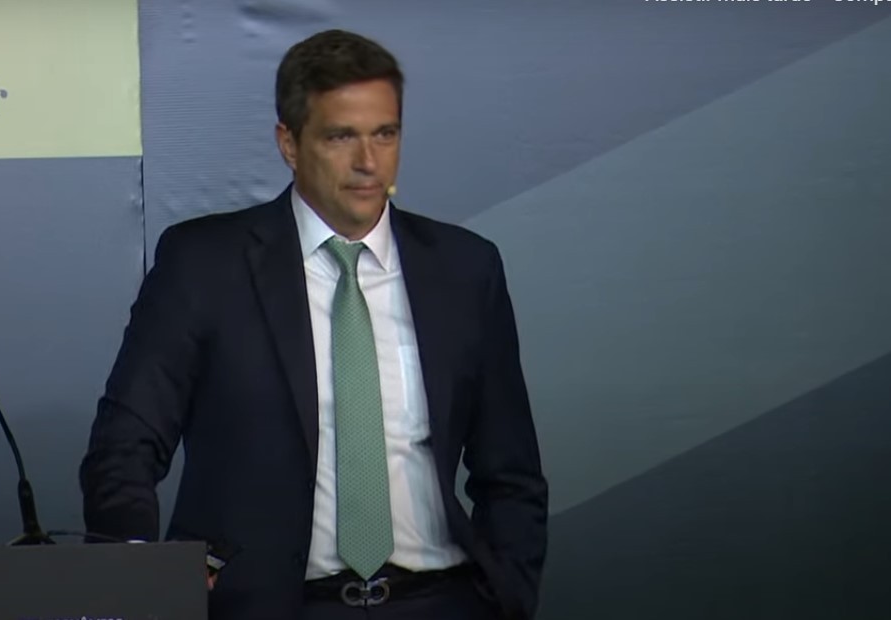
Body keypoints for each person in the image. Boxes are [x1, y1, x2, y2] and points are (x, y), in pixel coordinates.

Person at [79, 28, 548, 619]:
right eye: (340, 136)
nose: (368, 162)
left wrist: (508, 596)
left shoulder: (465, 268)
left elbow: (511, 472)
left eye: (385, 134)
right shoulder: (205, 266)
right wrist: (140, 577)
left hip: (442, 601)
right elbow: (124, 447)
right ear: (289, 143)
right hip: (273, 607)